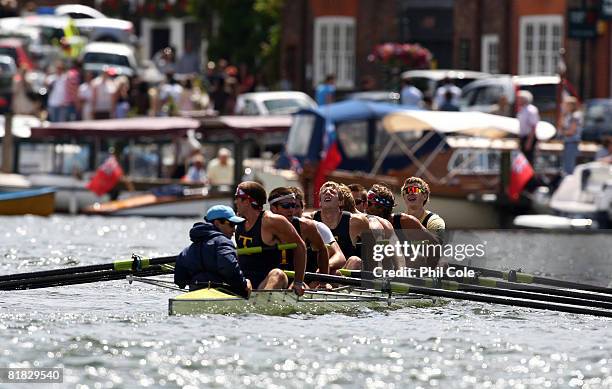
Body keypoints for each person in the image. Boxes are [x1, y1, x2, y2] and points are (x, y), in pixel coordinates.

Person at [234, 182, 306, 295]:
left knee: (278, 274)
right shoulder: (239, 222)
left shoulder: (272, 221)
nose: (235, 202)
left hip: (268, 280)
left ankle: (260, 304)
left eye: (237, 198)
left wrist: (298, 282)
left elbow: (300, 247)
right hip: (246, 281)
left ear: (247, 200)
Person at [174, 205, 252, 298]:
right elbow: (229, 267)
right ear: (217, 223)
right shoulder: (223, 242)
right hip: (223, 292)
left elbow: (179, 279)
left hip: (195, 291)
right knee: (248, 283)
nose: (234, 230)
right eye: (231, 224)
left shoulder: (190, 248)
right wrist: (243, 285)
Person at [304, 181, 370, 271]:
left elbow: (374, 251)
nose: (327, 192)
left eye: (332, 192)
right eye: (324, 192)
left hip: (344, 276)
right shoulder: (308, 220)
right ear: (320, 203)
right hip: (315, 276)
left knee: (355, 260)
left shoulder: (356, 221)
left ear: (340, 202)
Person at [268, 187, 329, 278]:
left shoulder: (306, 226)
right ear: (273, 209)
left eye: (293, 205)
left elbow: (322, 249)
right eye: (286, 206)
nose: (291, 210)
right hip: (272, 278)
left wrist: (323, 281)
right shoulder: (264, 225)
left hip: (300, 281)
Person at [390, 177, 446, 268]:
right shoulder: (396, 219)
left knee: (438, 263)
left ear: (424, 196)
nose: (410, 192)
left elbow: (435, 247)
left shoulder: (435, 221)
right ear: (404, 197)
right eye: (407, 191)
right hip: (398, 262)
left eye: (414, 189)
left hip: (424, 265)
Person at [289, 186, 346, 274]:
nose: (291, 211)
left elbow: (340, 257)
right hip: (283, 278)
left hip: (312, 279)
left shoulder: (317, 227)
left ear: (302, 208)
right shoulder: (270, 226)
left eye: (295, 206)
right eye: (287, 206)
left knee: (336, 272)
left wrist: (323, 268)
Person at [558, 96, 583, 175]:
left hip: (572, 141)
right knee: (566, 165)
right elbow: (561, 126)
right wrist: (562, 114)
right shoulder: (568, 115)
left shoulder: (575, 116)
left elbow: (571, 131)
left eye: (565, 105)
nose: (563, 106)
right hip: (568, 141)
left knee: (569, 166)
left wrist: (562, 132)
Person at [517, 90, 540, 164]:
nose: (518, 100)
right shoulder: (522, 110)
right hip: (523, 137)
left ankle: (530, 175)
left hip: (529, 137)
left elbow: (533, 126)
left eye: (520, 98)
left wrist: (529, 141)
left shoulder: (531, 110)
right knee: (523, 160)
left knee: (529, 160)